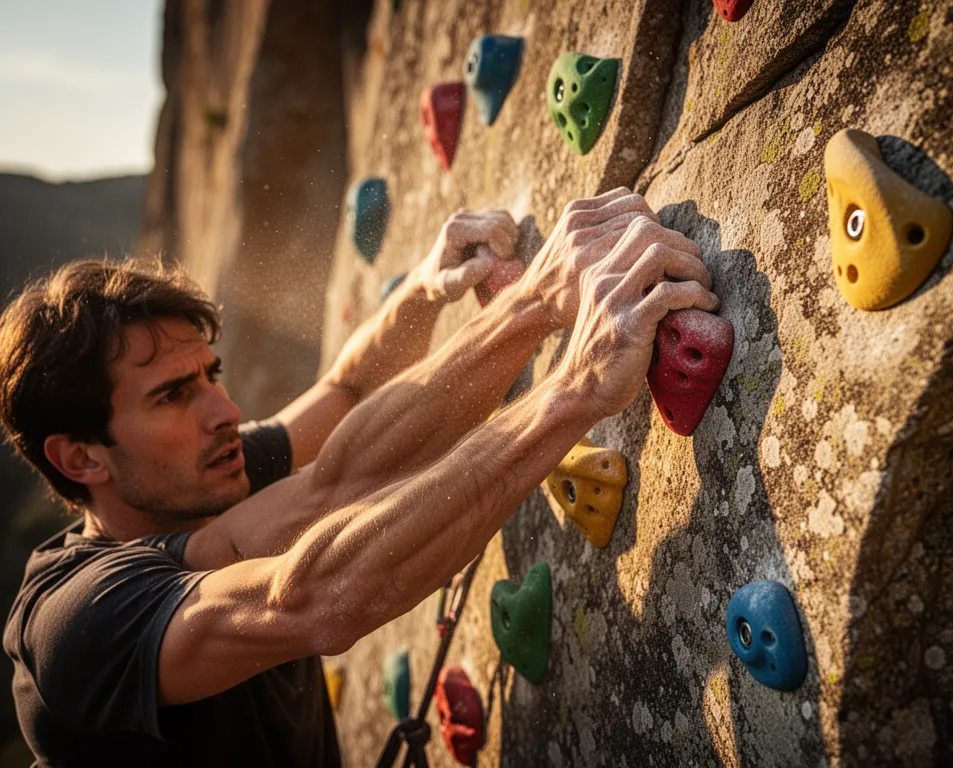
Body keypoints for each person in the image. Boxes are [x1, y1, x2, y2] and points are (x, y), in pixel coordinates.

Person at [0, 188, 716, 767]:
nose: (226, 411)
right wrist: (574, 390)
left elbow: (339, 439)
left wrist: (505, 301)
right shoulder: (78, 622)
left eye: (209, 376)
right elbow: (312, 600)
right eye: (172, 395)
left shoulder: (196, 485)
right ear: (81, 459)